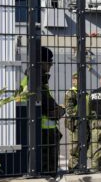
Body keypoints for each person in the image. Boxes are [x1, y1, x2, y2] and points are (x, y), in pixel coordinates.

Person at [15, 46, 65, 174]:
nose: (51, 65)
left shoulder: (27, 80)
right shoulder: (37, 83)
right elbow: (52, 111)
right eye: (49, 62)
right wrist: (62, 110)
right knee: (48, 169)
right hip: (45, 134)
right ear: (42, 62)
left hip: (34, 130)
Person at [65, 72, 82, 170]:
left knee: (82, 146)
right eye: (76, 79)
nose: (78, 81)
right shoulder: (71, 93)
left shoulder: (82, 92)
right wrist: (82, 110)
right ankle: (73, 168)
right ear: (73, 80)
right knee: (75, 148)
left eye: (79, 79)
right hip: (75, 124)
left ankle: (80, 166)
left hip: (82, 123)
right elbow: (69, 110)